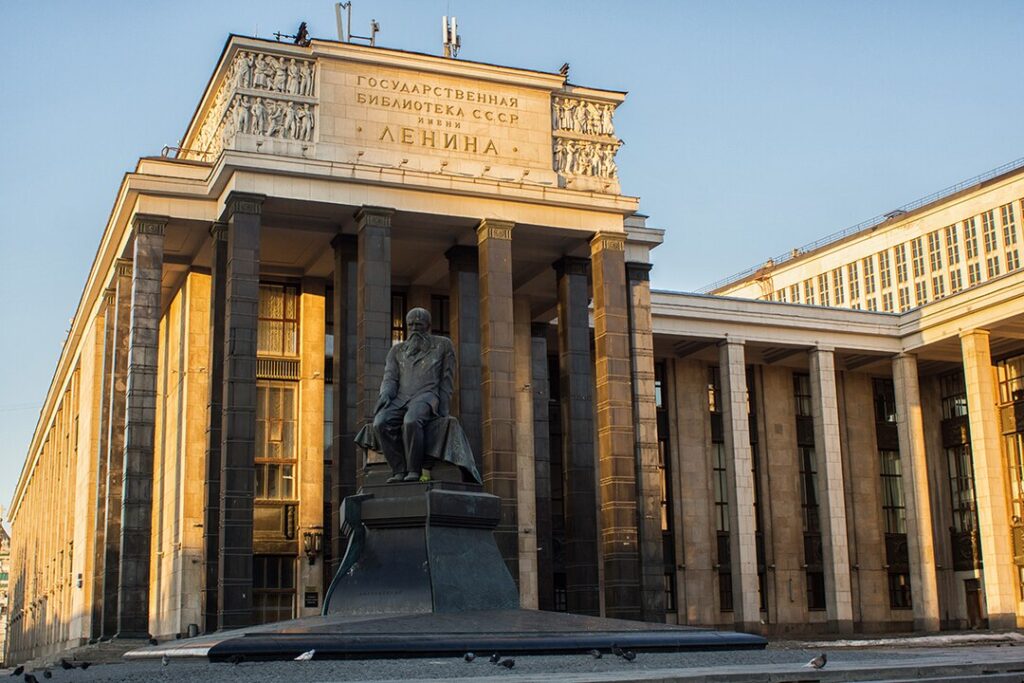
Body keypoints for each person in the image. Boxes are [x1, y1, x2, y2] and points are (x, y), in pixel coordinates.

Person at [372, 307, 456, 482]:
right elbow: (390, 378)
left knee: (411, 421)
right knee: (380, 422)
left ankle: (414, 470)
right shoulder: (396, 351)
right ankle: (398, 470)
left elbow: (447, 378)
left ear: (428, 326)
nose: (414, 329)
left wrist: (444, 409)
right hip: (400, 398)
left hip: (426, 396)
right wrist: (386, 394)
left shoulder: (443, 345)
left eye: (419, 325)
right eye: (411, 325)